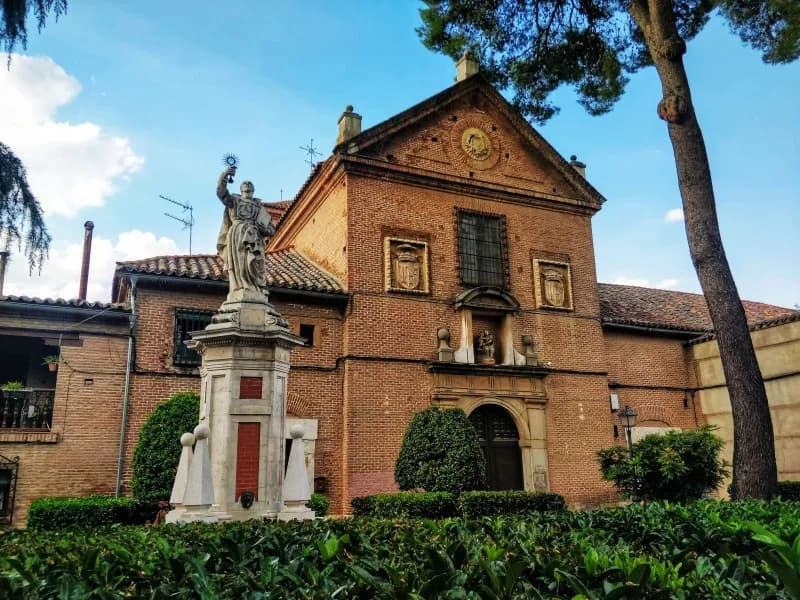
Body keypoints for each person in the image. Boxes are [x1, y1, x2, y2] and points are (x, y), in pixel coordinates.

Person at [216, 166, 275, 301]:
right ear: (241, 191)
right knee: (239, 264)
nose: (247, 190)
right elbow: (221, 193)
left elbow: (271, 229)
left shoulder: (260, 208)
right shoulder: (234, 201)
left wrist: (264, 229)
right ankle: (240, 288)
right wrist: (224, 175)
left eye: (249, 189)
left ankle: (255, 288)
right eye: (245, 189)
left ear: (253, 191)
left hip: (254, 236)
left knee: (256, 263)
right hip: (237, 235)